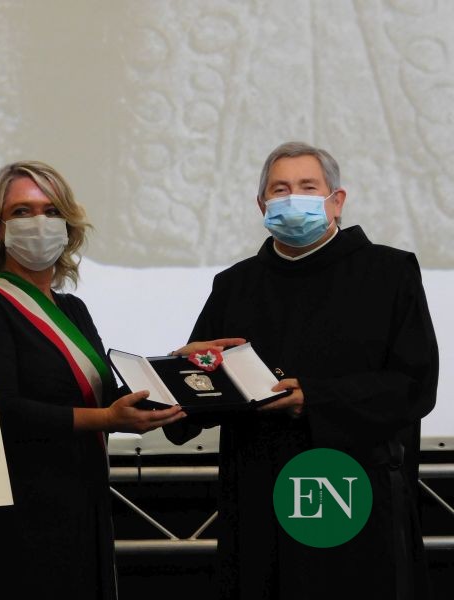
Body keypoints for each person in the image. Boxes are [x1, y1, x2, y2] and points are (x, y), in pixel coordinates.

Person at [0, 160, 239, 600]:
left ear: (68, 227)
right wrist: (105, 419)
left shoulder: (73, 310)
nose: (39, 222)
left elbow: (110, 396)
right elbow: (0, 411)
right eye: (22, 211)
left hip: (82, 504)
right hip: (19, 515)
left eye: (51, 211)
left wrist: (183, 368)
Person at [166, 141, 439, 599]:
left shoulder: (390, 273)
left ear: (337, 200)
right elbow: (200, 393)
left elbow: (414, 386)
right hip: (259, 493)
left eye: (308, 187)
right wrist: (182, 368)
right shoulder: (235, 285)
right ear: (261, 205)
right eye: (280, 189)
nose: (293, 198)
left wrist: (315, 397)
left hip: (355, 490)